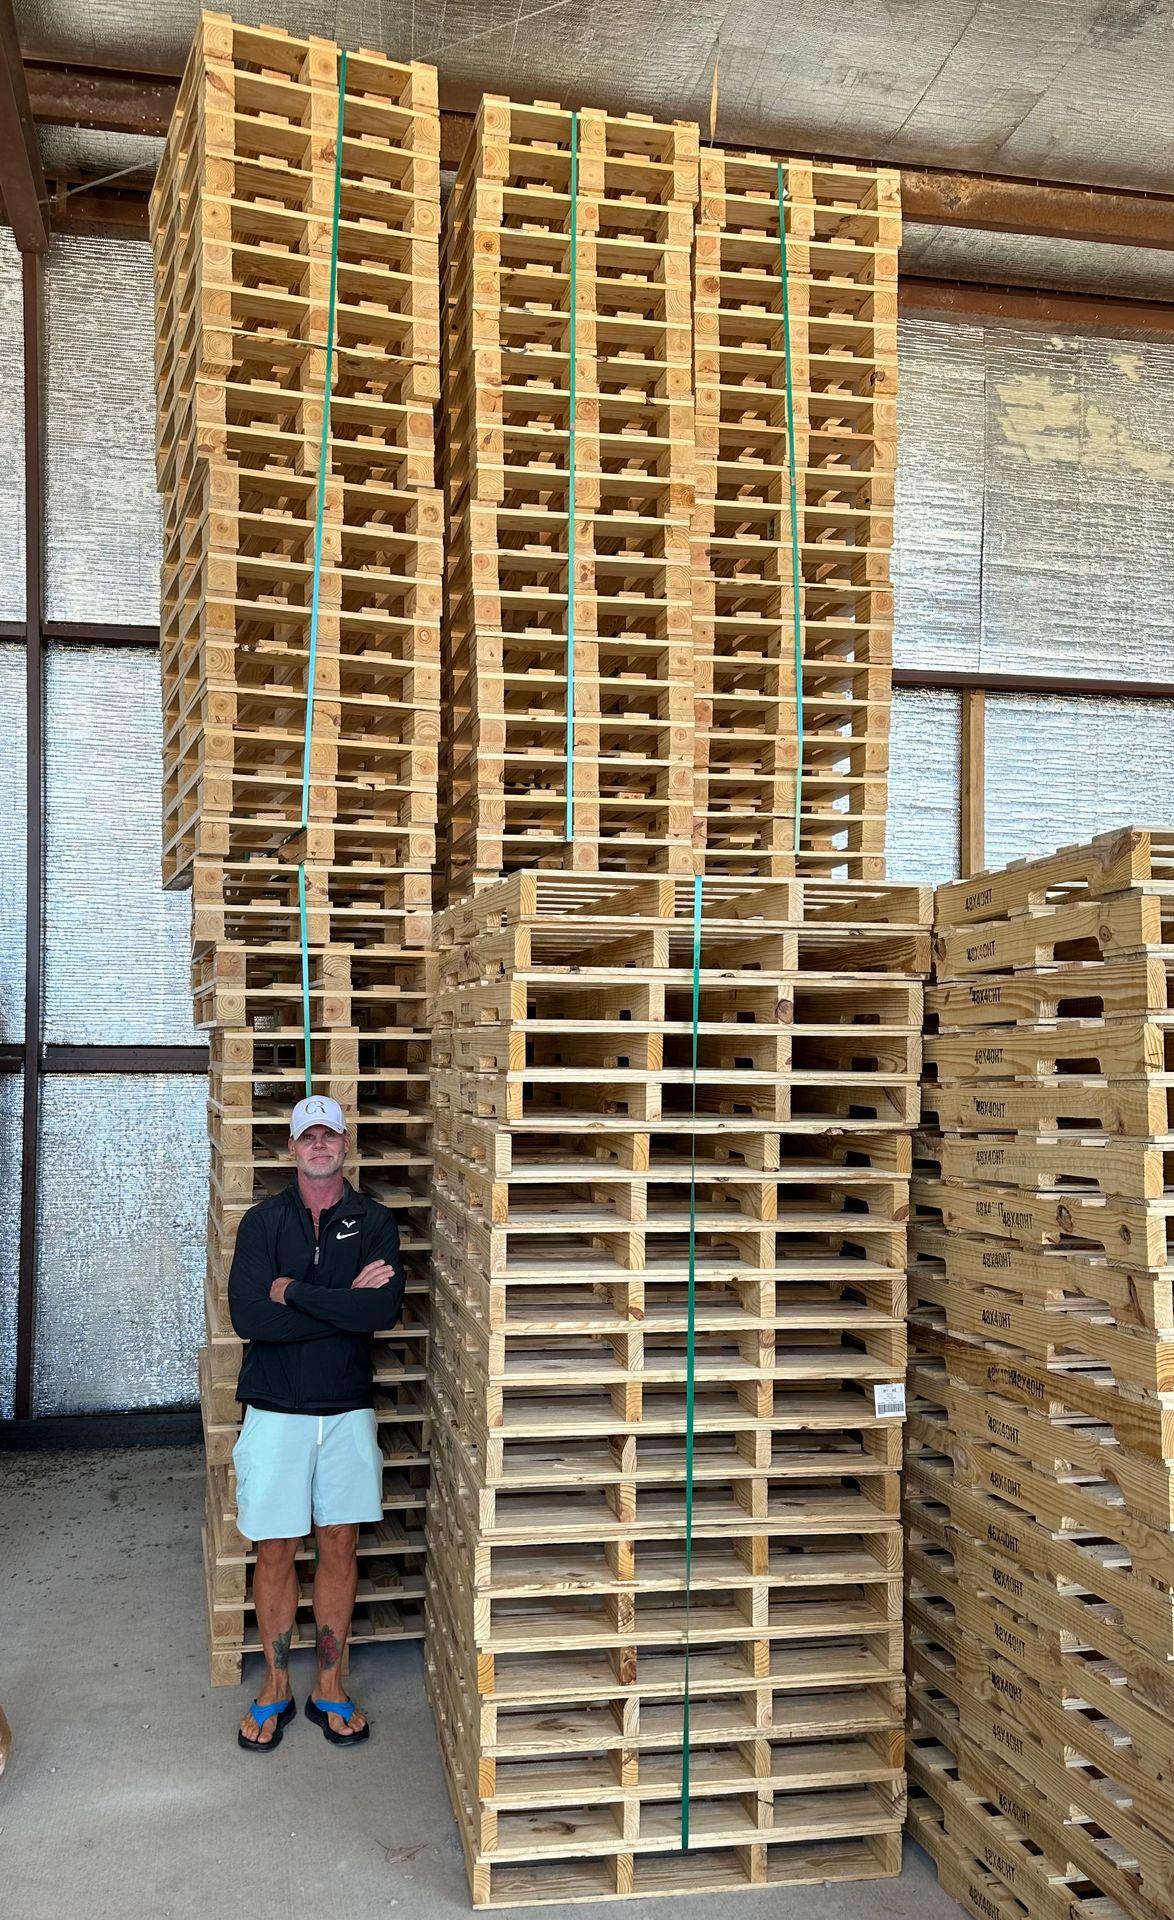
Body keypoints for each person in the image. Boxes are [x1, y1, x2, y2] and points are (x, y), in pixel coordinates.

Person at [226, 1094, 405, 1752]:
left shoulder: (374, 1221)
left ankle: (329, 1681)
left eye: (330, 1136)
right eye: (309, 1137)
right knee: (274, 1549)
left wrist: (295, 1292)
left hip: (346, 1409)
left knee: (339, 1545)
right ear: (293, 1146)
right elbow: (250, 1319)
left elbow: (378, 1312)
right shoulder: (262, 1223)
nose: (320, 1146)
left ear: (345, 1144)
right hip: (275, 1412)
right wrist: (341, 1302)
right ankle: (276, 1683)